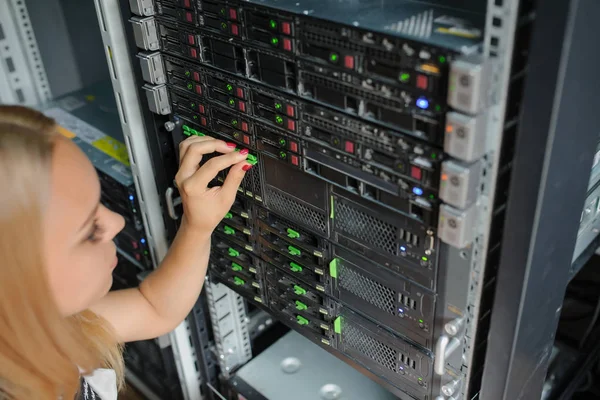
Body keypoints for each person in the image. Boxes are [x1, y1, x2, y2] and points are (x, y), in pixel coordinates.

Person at [0, 105, 253, 399]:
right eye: (90, 230)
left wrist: (197, 226)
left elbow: (154, 308)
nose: (117, 223)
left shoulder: (36, 329)